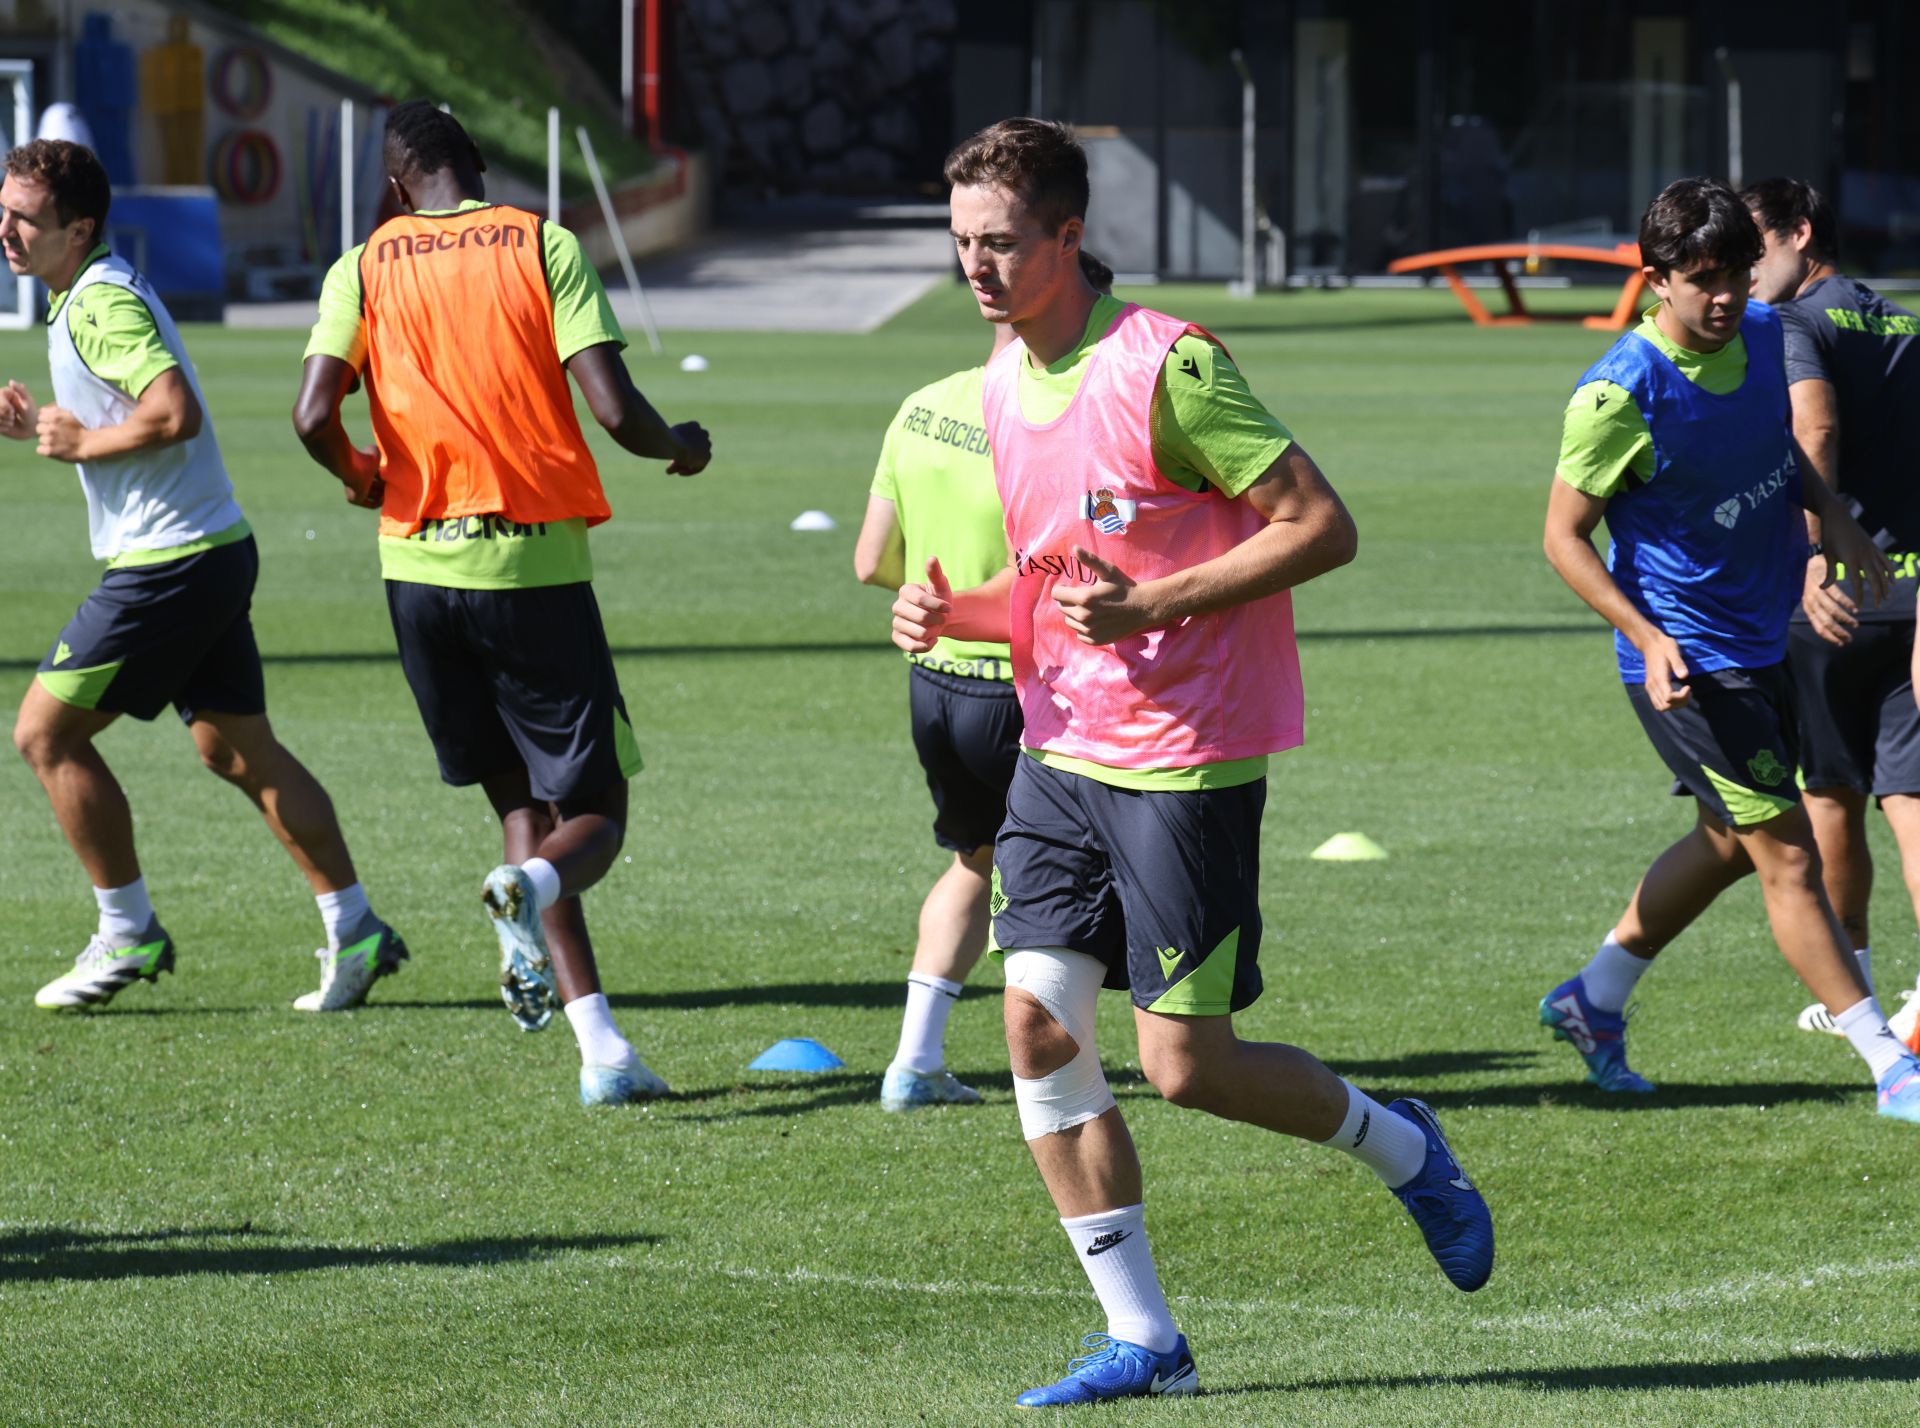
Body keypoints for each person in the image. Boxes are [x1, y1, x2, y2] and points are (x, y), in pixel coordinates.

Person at [892, 118, 1493, 1408]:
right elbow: (1058, 587)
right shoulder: (1002, 373)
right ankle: (1145, 1338)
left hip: (1185, 759)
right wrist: (960, 613)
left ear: (1068, 235)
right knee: (1035, 1021)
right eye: (960, 245)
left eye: (999, 244)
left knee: (1186, 1066)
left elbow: (1323, 527)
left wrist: (1158, 608)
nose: (977, 270)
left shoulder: (1169, 368)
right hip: (1060, 747)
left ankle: (1405, 1150)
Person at [290, 102, 710, 1106]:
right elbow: (614, 408)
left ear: (397, 184)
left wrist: (360, 475)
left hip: (415, 579)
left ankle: (600, 1049)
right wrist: (681, 445)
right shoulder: (539, 242)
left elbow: (311, 414)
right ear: (474, 166)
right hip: (530, 573)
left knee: (520, 807)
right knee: (595, 814)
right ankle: (529, 903)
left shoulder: (363, 264)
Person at [1539, 176, 1920, 1119]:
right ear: (1657, 278)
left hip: (1760, 637)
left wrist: (1834, 520)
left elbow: (1776, 448)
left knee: (1729, 838)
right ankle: (1890, 1064)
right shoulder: (1619, 394)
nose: (1724, 297)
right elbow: (1561, 536)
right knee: (1786, 851)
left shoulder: (1759, 333)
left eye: (1738, 276)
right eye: (1703, 279)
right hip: (1689, 658)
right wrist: (1644, 632)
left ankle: (1593, 998)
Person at [2, 138, 406, 1013]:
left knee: (44, 735)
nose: (5, 230)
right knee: (234, 750)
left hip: (170, 564)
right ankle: (357, 927)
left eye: (23, 218)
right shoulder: (90, 287)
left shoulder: (99, 302)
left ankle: (128, 931)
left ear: (78, 228)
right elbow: (131, 415)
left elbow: (171, 412)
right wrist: (50, 426)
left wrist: (82, 441)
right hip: (210, 550)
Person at [854, 250, 1113, 1113]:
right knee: (1079, 869)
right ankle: (1071, 1062)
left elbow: (871, 564)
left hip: (935, 685)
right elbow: (1097, 544)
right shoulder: (1053, 419)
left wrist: (937, 602)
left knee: (975, 861)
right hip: (1026, 689)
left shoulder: (921, 405)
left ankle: (914, 1061)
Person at [1743, 176, 1920, 1054]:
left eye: (1752, 246)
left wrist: (1814, 552)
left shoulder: (1793, 324)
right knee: (1912, 796)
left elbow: (1813, 433)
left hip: (1841, 592)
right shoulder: (1902, 319)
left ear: (1799, 234)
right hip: (1915, 591)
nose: (1741, 270)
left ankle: (1853, 982)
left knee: (1830, 794)